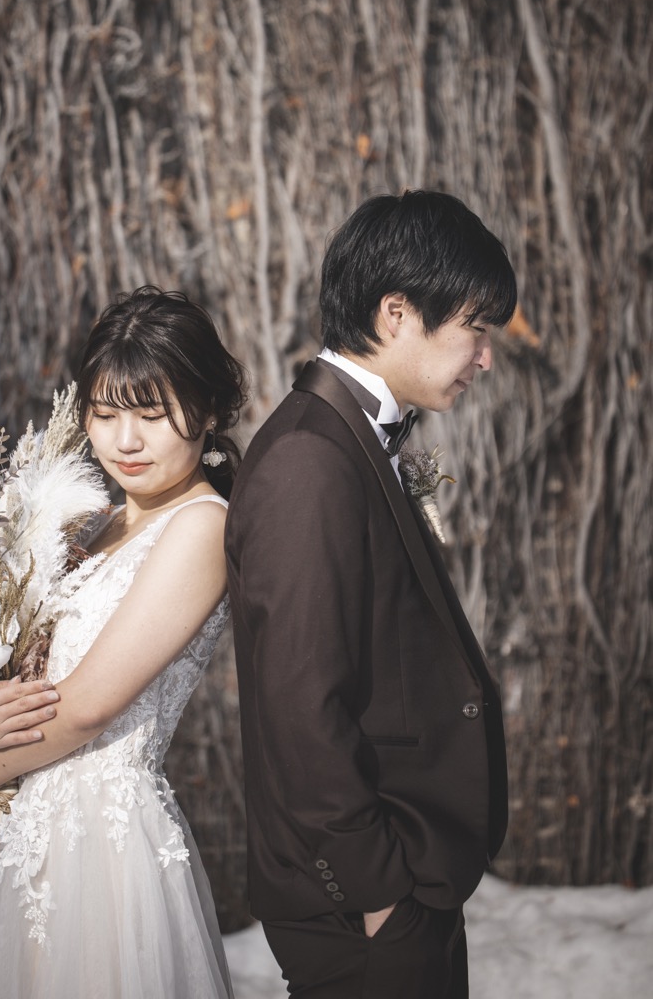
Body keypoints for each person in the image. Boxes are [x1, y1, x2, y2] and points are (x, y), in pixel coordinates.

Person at [225, 191, 518, 999]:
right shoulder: (307, 460)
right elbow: (299, 706)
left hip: (398, 886)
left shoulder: (347, 441)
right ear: (396, 313)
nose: (485, 357)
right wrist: (377, 891)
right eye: (475, 328)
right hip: (361, 905)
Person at [0, 286, 247, 999]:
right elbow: (27, 669)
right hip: (30, 829)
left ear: (209, 412)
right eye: (105, 413)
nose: (125, 441)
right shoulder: (93, 524)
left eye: (152, 416)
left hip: (101, 839)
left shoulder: (201, 526)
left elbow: (91, 704)